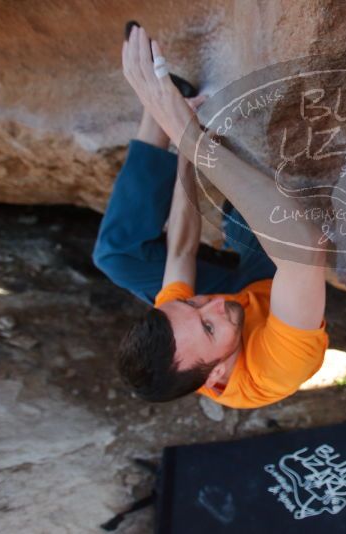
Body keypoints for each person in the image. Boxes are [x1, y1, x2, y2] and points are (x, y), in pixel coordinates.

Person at [93, 24, 328, 409]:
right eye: (208, 326)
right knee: (277, 210)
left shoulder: (180, 329)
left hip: (247, 287)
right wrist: (192, 139)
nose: (213, 304)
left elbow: (181, 250)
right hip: (275, 280)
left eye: (192, 304)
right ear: (217, 374)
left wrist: (183, 147)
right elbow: (303, 251)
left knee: (114, 258)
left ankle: (168, 101)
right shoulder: (272, 370)